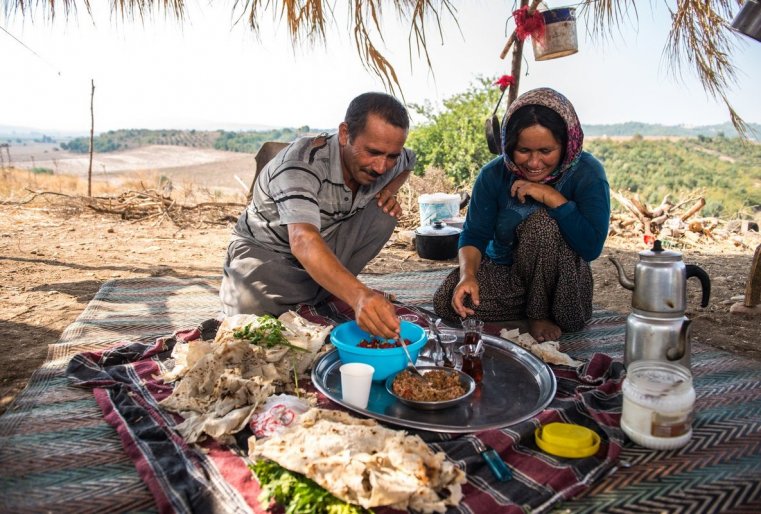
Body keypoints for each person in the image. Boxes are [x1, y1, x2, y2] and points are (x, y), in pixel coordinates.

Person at [220, 92, 415, 339]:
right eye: (372, 152)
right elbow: (302, 239)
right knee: (251, 325)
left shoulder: (390, 157)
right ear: (345, 134)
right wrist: (359, 296)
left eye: (391, 156)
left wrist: (389, 190)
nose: (381, 167)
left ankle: (326, 288)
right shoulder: (300, 163)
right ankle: (329, 291)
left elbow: (408, 162)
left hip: (324, 241)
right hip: (268, 255)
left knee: (384, 213)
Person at [432, 87, 610, 342]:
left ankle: (539, 314)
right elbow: (475, 234)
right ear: (508, 144)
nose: (534, 163)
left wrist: (552, 198)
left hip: (564, 286)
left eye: (546, 151)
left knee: (542, 224)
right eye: (524, 151)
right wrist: (468, 275)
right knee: (448, 300)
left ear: (566, 144)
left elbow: (591, 247)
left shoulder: (588, 173)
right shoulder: (494, 174)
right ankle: (526, 307)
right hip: (509, 277)